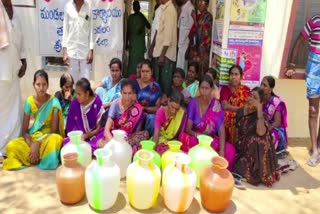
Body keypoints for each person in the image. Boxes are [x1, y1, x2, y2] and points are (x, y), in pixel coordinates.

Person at [3, 70, 64, 170]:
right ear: (33, 85)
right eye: (38, 84)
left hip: (47, 139)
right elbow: (24, 131)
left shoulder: (54, 102)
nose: (41, 88)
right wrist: (32, 145)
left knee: (55, 139)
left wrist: (38, 144)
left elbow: (54, 131)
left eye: (44, 84)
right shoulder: (29, 101)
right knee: (11, 146)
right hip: (33, 138)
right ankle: (39, 156)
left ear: (48, 85)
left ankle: (34, 157)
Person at [178, 75, 236, 171]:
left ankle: (218, 172)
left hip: (210, 140)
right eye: (202, 88)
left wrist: (221, 151)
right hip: (196, 138)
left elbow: (221, 131)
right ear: (199, 88)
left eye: (207, 88)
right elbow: (188, 129)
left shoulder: (216, 105)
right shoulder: (193, 102)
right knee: (183, 138)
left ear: (211, 89)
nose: (204, 91)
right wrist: (199, 136)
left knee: (230, 150)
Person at [286, 14, 320, 167]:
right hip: (314, 68)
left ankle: (318, 146)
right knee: (313, 110)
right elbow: (299, 40)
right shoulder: (315, 21)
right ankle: (315, 149)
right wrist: (292, 64)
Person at [233, 87, 279, 187]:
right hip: (244, 147)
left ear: (261, 102)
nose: (251, 99)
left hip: (257, 148)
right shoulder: (241, 112)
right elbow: (237, 133)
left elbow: (260, 132)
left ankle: (260, 171)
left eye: (255, 98)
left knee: (260, 139)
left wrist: (259, 109)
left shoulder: (263, 115)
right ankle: (254, 171)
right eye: (250, 95)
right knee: (254, 141)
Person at [0, 0, 27, 162]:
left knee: (15, 107)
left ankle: (13, 145)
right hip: (1, 69)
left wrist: (24, 60)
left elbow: (21, 39)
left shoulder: (15, 12)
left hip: (14, 67)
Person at [100, 79, 149, 154]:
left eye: (130, 93)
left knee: (145, 134)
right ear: (121, 93)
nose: (127, 97)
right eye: (124, 93)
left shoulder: (137, 108)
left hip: (129, 138)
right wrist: (115, 144)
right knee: (103, 143)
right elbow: (106, 130)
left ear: (133, 94)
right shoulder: (115, 105)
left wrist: (129, 141)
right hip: (115, 138)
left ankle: (124, 151)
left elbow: (137, 132)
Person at [63, 78, 104, 152]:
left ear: (87, 93)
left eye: (79, 94)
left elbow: (98, 127)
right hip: (79, 136)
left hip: (94, 135)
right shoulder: (74, 103)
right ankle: (86, 148)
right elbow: (70, 128)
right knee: (65, 142)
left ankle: (86, 148)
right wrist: (78, 136)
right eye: (76, 93)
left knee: (103, 135)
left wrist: (86, 135)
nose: (77, 96)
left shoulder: (97, 101)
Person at [62, 0, 94, 83]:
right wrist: (65, 52)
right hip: (71, 51)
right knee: (71, 81)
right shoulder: (68, 6)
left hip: (85, 51)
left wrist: (91, 50)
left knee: (85, 82)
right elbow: (65, 30)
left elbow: (91, 29)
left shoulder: (89, 6)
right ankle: (73, 96)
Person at [153, 0, 177, 95]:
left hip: (165, 55)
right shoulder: (165, 9)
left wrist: (162, 55)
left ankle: (163, 108)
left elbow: (168, 37)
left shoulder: (170, 10)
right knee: (159, 85)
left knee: (164, 87)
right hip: (161, 53)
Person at [220, 65, 250, 144]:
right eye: (231, 74)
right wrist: (241, 110)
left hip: (243, 117)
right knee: (225, 115)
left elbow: (249, 106)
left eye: (236, 74)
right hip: (229, 118)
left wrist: (243, 111)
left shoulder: (246, 90)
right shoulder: (225, 89)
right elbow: (224, 106)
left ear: (241, 77)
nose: (233, 77)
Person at [260, 76, 288, 156]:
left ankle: (268, 155)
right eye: (261, 84)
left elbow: (277, 122)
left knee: (270, 135)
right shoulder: (259, 99)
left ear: (271, 89)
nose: (261, 87)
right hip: (263, 127)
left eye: (265, 85)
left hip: (275, 130)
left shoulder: (275, 102)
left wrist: (266, 129)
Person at [133, 59, 162, 136]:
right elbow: (132, 103)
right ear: (140, 72)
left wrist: (145, 109)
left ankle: (149, 140)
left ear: (151, 72)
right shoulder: (134, 84)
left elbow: (157, 107)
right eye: (143, 71)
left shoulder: (156, 87)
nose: (145, 74)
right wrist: (140, 110)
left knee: (152, 118)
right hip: (135, 114)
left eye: (147, 71)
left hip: (149, 117)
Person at [153, 90, 186, 155]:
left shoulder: (181, 114)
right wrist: (153, 151)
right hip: (160, 139)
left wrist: (176, 147)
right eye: (172, 107)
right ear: (168, 101)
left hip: (173, 142)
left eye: (177, 109)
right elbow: (156, 134)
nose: (174, 111)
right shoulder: (161, 112)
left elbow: (181, 135)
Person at [187, 0, 212, 77]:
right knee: (192, 76)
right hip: (195, 52)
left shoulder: (207, 16)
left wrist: (194, 19)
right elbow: (193, 34)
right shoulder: (199, 16)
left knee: (199, 76)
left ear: (207, 5)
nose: (199, 4)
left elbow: (200, 34)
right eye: (198, 1)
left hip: (201, 54)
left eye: (202, 2)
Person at [126, 0, 151, 77]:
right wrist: (126, 42)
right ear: (133, 7)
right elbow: (127, 31)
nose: (135, 7)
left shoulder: (142, 16)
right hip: (133, 43)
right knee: (132, 60)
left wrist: (142, 22)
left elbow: (149, 26)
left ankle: (140, 76)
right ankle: (131, 76)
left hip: (140, 44)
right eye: (134, 6)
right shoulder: (130, 17)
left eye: (137, 6)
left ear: (139, 7)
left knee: (140, 60)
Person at [176, 0, 196, 70]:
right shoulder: (182, 8)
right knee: (179, 66)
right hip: (181, 43)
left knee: (183, 66)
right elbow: (179, 26)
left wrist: (189, 46)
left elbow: (194, 28)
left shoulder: (190, 7)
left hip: (186, 43)